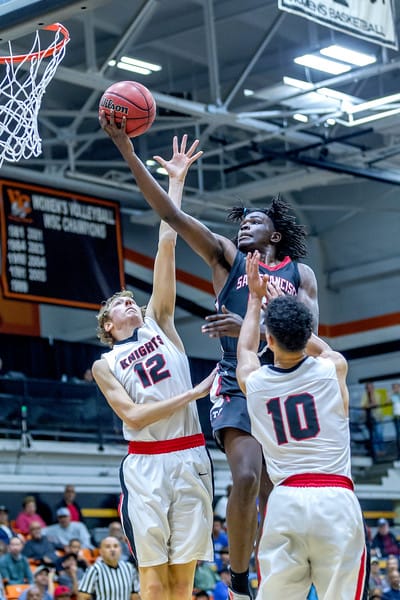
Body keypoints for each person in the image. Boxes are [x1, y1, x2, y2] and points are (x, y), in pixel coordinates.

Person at [99, 113, 319, 599]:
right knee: (244, 475)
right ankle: (239, 581)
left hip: (281, 382)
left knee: (274, 491)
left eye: (254, 221)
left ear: (275, 235)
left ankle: (274, 579)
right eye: (241, 222)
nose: (244, 226)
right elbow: (171, 222)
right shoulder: (227, 259)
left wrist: (248, 327)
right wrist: (129, 153)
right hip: (234, 383)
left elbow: (305, 340)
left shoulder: (301, 275)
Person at [92, 135, 214, 600]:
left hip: (191, 456)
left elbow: (168, 243)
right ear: (108, 322)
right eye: (122, 302)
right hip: (145, 465)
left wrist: (175, 181)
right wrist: (192, 394)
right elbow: (135, 417)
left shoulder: (159, 323)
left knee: (184, 579)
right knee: (153, 577)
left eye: (131, 299)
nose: (131, 303)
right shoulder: (106, 363)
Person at [235, 251, 367, 599]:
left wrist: (254, 297)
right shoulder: (332, 369)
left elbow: (245, 352)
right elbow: (323, 351)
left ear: (270, 341)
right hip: (336, 499)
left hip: (285, 502)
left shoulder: (256, 382)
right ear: (306, 333)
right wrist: (282, 304)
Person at [390, 383, 400, 458]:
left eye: (397, 387)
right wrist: (392, 392)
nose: (396, 389)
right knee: (398, 435)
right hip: (396, 417)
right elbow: (387, 401)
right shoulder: (392, 396)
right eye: (394, 388)